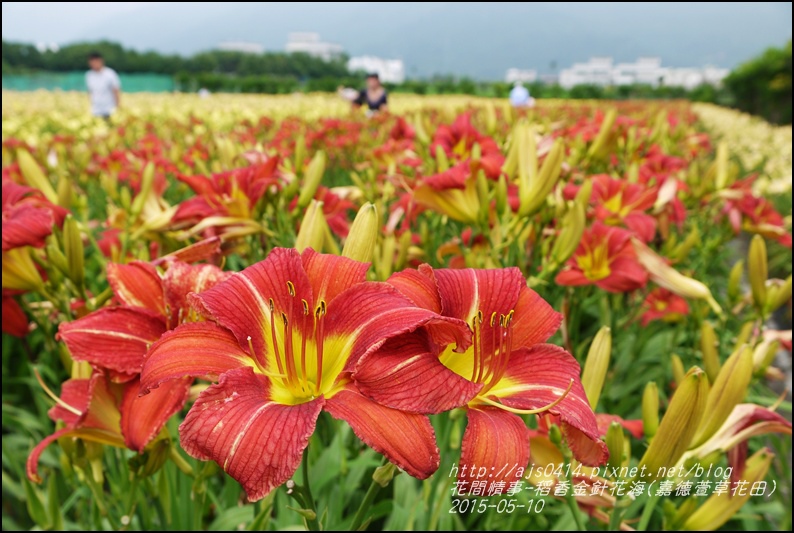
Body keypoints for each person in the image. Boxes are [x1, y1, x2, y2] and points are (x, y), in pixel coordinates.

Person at [86, 52, 121, 119]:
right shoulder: (89, 75)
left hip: (109, 110)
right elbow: (90, 92)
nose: (93, 64)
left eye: (95, 61)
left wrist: (118, 107)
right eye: (91, 62)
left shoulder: (110, 73)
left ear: (101, 61)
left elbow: (116, 90)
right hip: (95, 110)